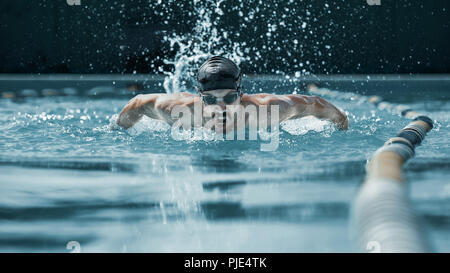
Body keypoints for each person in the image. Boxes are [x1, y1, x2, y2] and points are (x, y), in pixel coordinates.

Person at [116, 56, 349, 133]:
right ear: (199, 96)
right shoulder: (180, 111)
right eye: (210, 99)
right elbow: (138, 103)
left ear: (241, 93)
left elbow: (314, 103)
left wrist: (342, 126)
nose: (220, 106)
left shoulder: (268, 110)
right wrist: (117, 131)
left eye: (228, 98)